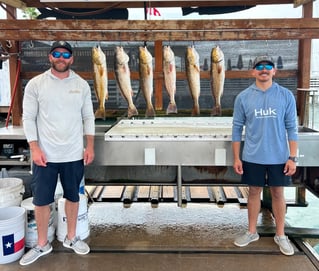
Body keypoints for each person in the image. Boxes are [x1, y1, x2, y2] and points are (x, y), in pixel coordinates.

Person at [20, 41, 95, 265]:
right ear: (50, 57)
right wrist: (34, 148)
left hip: (73, 154)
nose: (61, 58)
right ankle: (42, 244)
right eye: (57, 53)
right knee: (41, 201)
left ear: (71, 59)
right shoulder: (36, 84)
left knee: (73, 197)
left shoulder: (81, 84)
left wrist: (89, 146)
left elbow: (88, 117)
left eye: (65, 54)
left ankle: (71, 237)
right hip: (45, 156)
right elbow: (28, 118)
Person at [232, 55, 298, 256]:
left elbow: (292, 128)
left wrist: (292, 158)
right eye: (259, 66)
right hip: (253, 156)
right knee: (253, 192)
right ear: (253, 72)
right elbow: (236, 129)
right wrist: (237, 157)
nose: (264, 69)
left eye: (268, 66)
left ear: (274, 71)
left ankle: (281, 235)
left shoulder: (285, 95)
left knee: (278, 193)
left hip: (279, 157)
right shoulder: (243, 97)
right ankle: (252, 232)